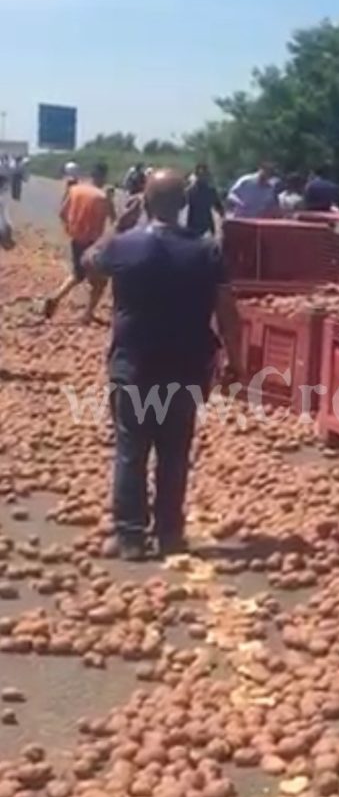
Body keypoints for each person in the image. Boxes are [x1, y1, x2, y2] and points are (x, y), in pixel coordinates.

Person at [81, 169, 244, 561]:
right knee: (174, 451)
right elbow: (228, 312)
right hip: (187, 367)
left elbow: (89, 264)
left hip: (134, 365)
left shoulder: (123, 245)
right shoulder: (207, 250)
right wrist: (235, 361)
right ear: (185, 204)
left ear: (145, 201)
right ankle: (170, 534)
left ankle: (130, 537)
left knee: (131, 450)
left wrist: (116, 228)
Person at [43, 162, 116, 323]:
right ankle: (87, 314)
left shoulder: (75, 190)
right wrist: (110, 200)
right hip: (93, 243)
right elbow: (114, 220)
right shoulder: (101, 197)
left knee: (78, 274)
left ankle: (55, 297)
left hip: (76, 239)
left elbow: (62, 213)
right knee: (100, 281)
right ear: (102, 176)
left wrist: (71, 228)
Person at [185, 163, 225, 237]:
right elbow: (181, 205)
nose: (202, 177)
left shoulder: (210, 191)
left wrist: (223, 218)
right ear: (196, 175)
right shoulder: (190, 191)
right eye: (200, 175)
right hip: (193, 226)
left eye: (204, 174)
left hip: (207, 226)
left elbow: (219, 206)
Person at [0, 176, 14, 251]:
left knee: (2, 218)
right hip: (3, 197)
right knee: (5, 216)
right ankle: (7, 239)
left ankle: (5, 239)